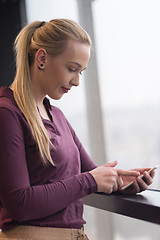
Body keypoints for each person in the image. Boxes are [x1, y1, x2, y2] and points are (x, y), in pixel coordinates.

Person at [0, 19, 155, 240]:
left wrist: (121, 182)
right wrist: (92, 180)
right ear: (41, 59)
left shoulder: (58, 117)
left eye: (81, 71)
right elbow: (20, 203)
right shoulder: (7, 114)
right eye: (72, 69)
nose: (76, 82)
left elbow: (88, 172)